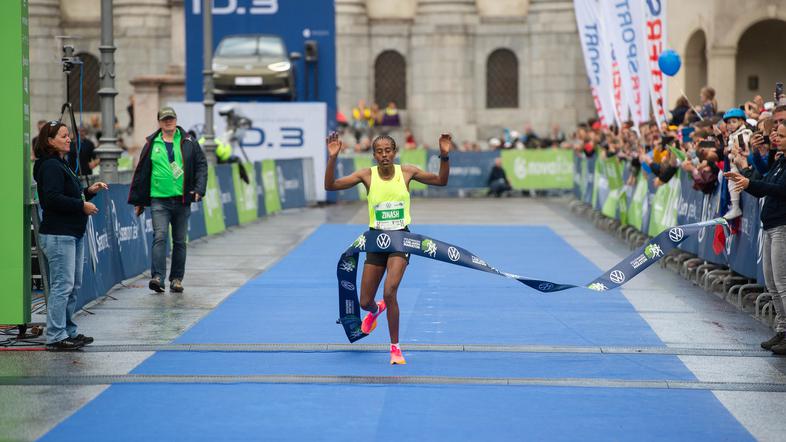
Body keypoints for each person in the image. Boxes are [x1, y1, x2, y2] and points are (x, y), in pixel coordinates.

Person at [324, 131, 451, 364]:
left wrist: (444, 155)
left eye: (388, 150)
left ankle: (395, 348)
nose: (384, 155)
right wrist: (332, 157)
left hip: (401, 240)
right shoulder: (366, 175)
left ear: (395, 152)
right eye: (379, 151)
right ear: (374, 155)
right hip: (375, 241)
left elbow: (441, 181)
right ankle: (375, 310)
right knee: (364, 302)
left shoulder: (407, 172)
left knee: (390, 291)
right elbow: (330, 186)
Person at [32, 121, 108, 350]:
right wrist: (81, 206)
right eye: (63, 136)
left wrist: (88, 193)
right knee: (62, 286)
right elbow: (52, 199)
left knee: (72, 286)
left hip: (71, 232)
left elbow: (70, 196)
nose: (69, 139)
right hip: (58, 234)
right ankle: (55, 335)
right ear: (49, 141)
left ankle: (68, 330)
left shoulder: (60, 164)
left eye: (69, 135)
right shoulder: (50, 166)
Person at [128, 107, 207, 294]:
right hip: (159, 200)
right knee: (160, 236)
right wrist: (139, 201)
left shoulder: (189, 141)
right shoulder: (151, 143)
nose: (168, 121)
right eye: (164, 119)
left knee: (179, 241)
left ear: (176, 120)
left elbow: (201, 166)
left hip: (182, 199)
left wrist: (199, 189)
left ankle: (177, 279)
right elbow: (142, 173)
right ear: (159, 122)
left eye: (171, 118)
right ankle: (157, 277)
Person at [725, 121, 786, 354]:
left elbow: (780, 191)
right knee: (772, 283)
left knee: (782, 283)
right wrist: (745, 178)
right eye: (777, 134)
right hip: (770, 224)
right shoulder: (780, 160)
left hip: (782, 225)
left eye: (781, 135)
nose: (775, 138)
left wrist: (749, 181)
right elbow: (765, 184)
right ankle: (782, 329)